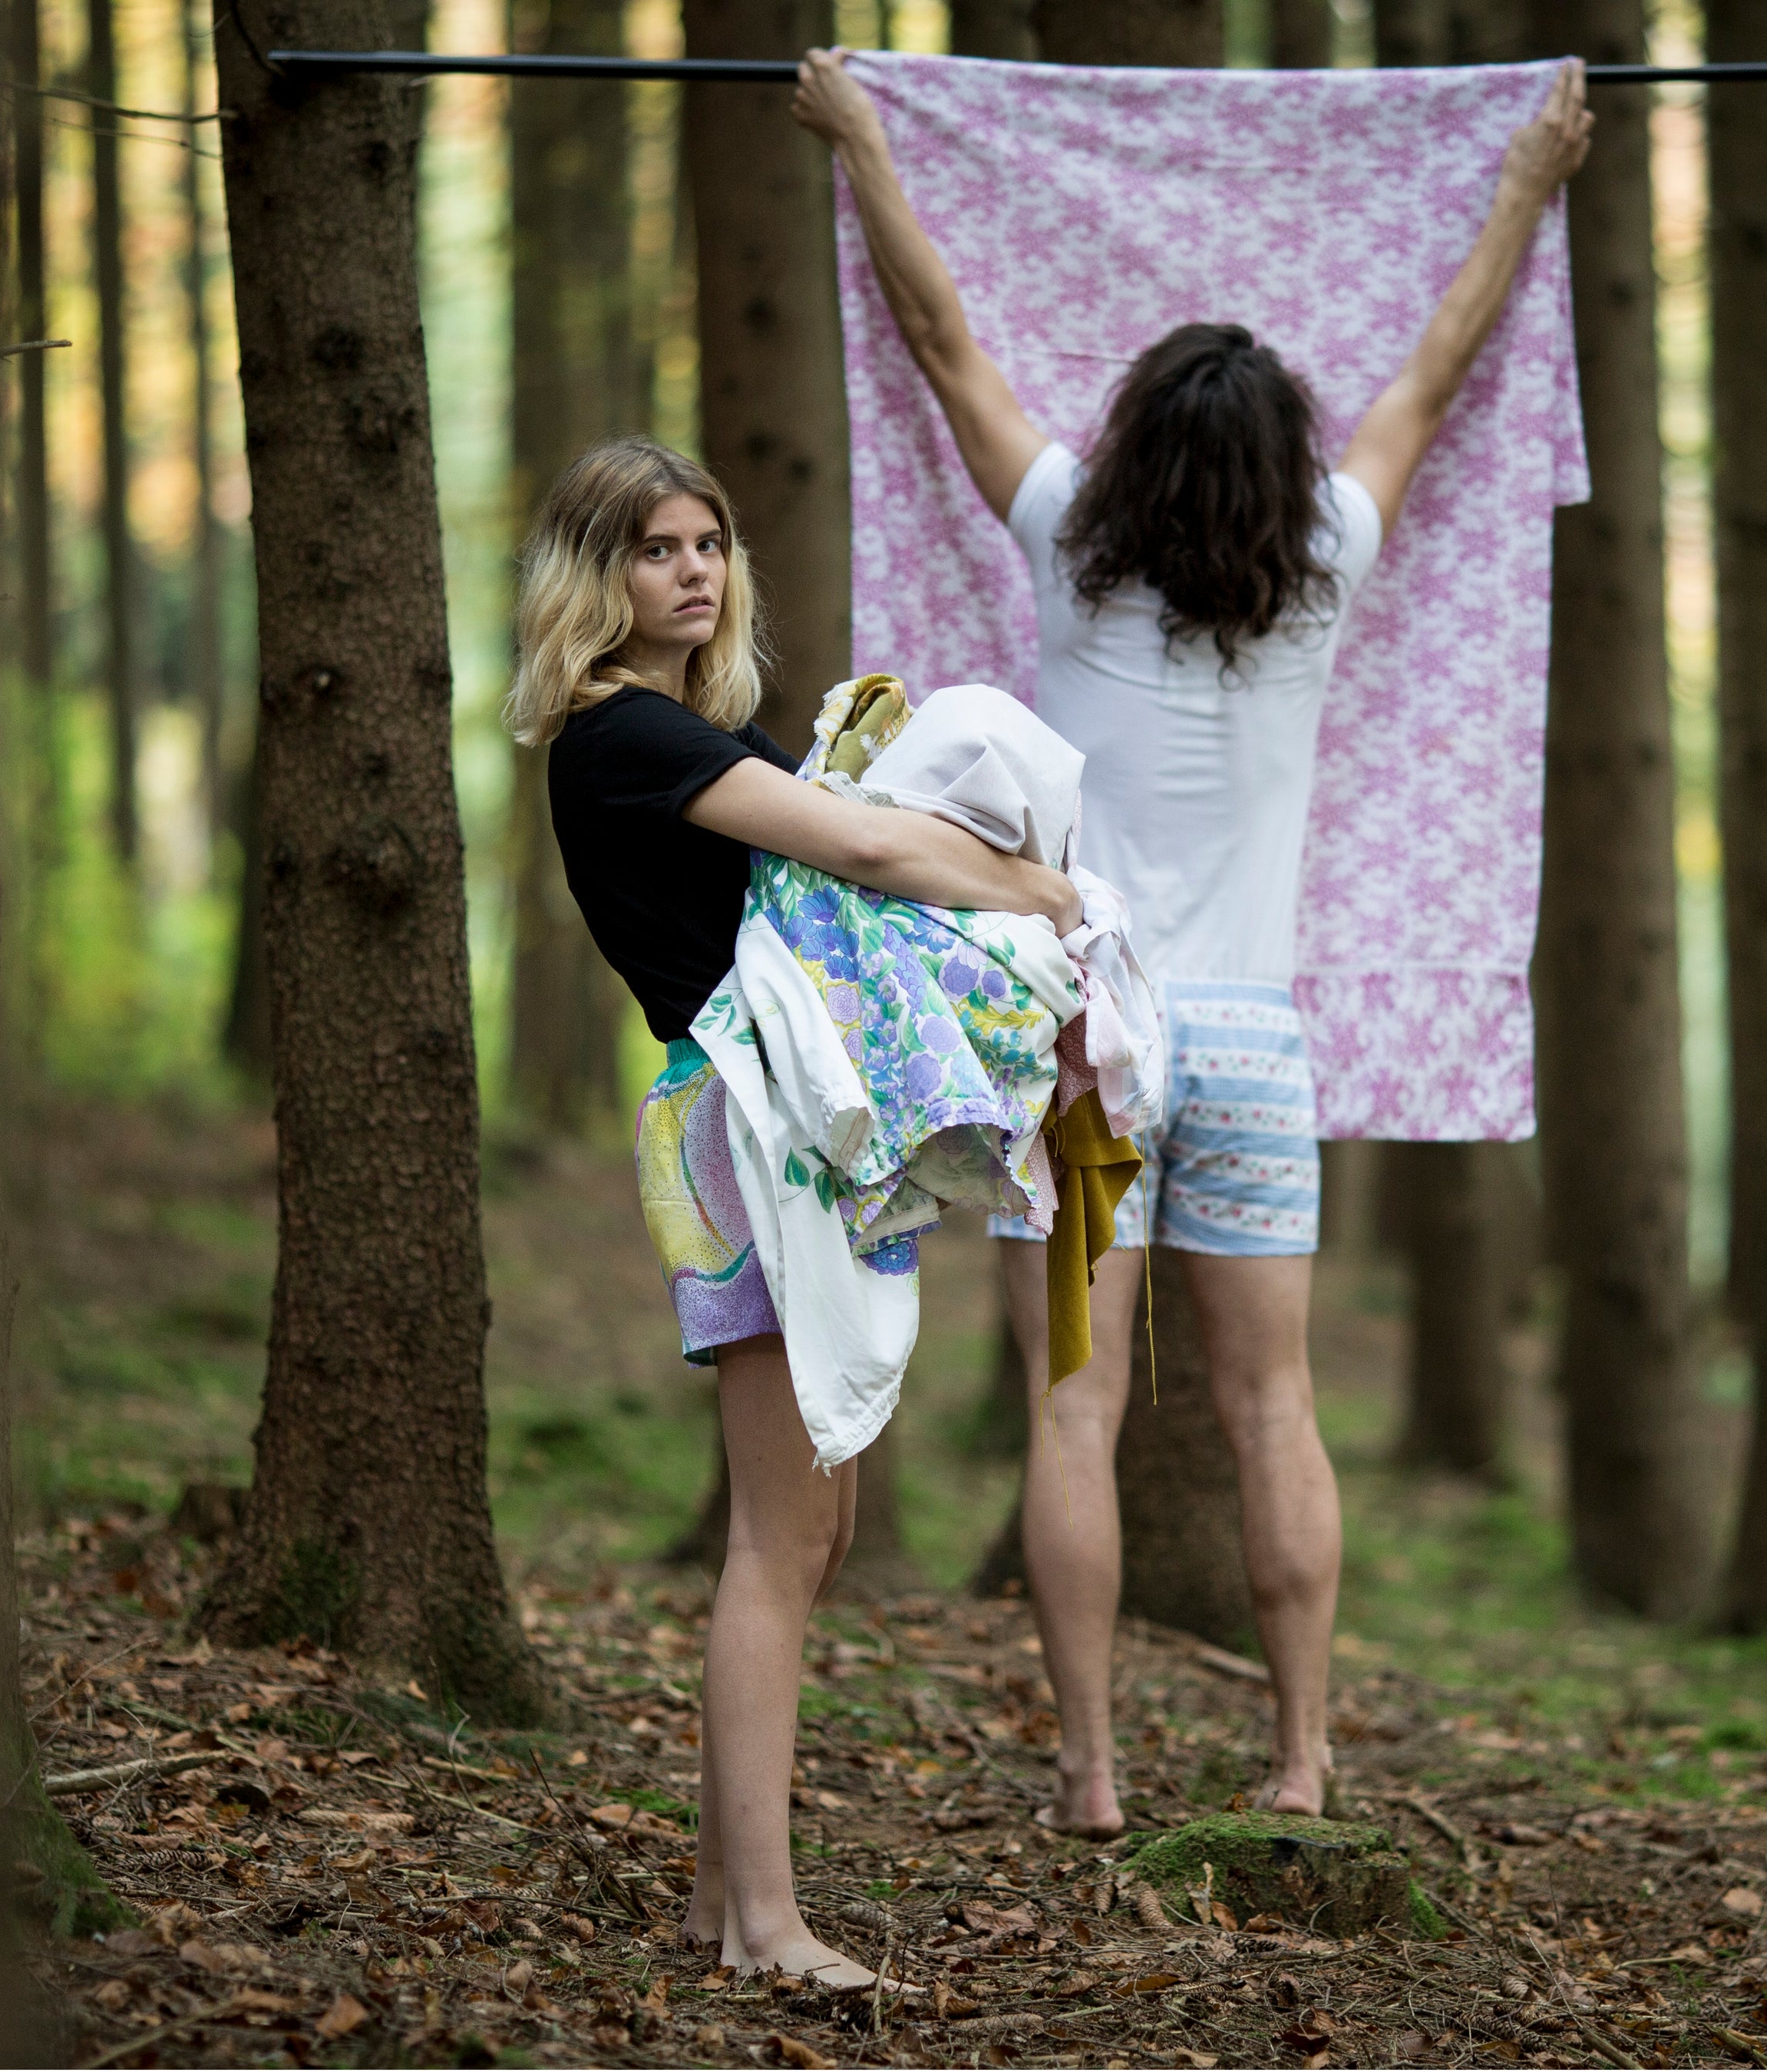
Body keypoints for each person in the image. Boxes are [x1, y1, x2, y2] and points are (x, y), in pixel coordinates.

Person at [792, 50, 1593, 1836]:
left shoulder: (1068, 555)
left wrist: (861, 144)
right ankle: (1301, 1761)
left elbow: (942, 343)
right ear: (1281, 467)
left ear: (1134, 453)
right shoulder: (1326, 562)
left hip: (1088, 1048)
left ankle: (1090, 1775)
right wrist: (1527, 182)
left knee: (1073, 1417)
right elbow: (1437, 369)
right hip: (1251, 1047)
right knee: (1274, 1409)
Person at [508, 437, 1082, 1982]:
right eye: (655, 549)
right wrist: (1036, 889)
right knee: (780, 1536)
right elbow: (868, 843)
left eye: (708, 543)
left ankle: (724, 1897)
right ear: (594, 576)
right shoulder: (622, 735)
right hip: (740, 1131)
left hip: (781, 1129)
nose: (693, 571)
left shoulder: (696, 729)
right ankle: (768, 1926)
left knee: (816, 1529)